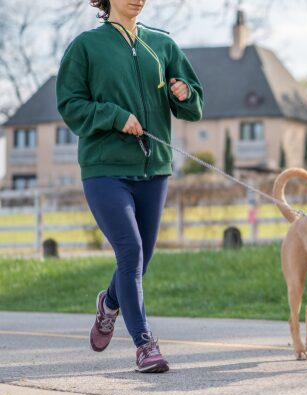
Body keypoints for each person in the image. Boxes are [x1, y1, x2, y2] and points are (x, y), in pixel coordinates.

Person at [56, 0, 203, 373]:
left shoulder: (163, 44)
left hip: (154, 169)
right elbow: (70, 104)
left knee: (141, 258)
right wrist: (115, 116)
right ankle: (144, 344)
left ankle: (109, 304)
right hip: (105, 169)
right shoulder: (86, 46)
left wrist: (183, 93)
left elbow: (194, 106)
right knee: (131, 249)